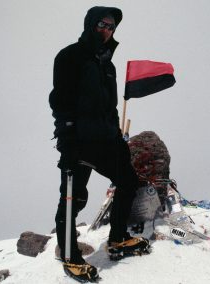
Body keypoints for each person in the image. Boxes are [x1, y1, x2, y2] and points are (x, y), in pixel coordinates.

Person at [49, 6, 150, 282]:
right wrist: (67, 139)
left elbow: (111, 107)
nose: (107, 30)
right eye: (102, 24)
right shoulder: (70, 56)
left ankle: (117, 239)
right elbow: (60, 102)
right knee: (73, 199)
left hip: (106, 141)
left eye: (111, 27)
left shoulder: (108, 65)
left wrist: (118, 138)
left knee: (127, 181)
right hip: (79, 142)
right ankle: (70, 255)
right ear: (91, 24)